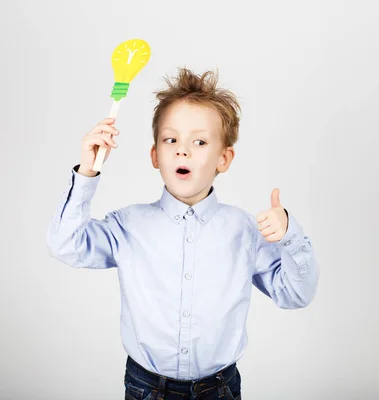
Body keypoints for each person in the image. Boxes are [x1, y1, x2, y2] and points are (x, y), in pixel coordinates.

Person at [46, 68, 319, 400]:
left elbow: (295, 295)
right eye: (170, 139)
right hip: (146, 388)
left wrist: (290, 235)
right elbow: (65, 244)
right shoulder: (128, 225)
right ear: (155, 155)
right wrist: (88, 172)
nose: (182, 150)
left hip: (219, 389)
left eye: (200, 141)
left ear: (224, 158)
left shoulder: (245, 230)